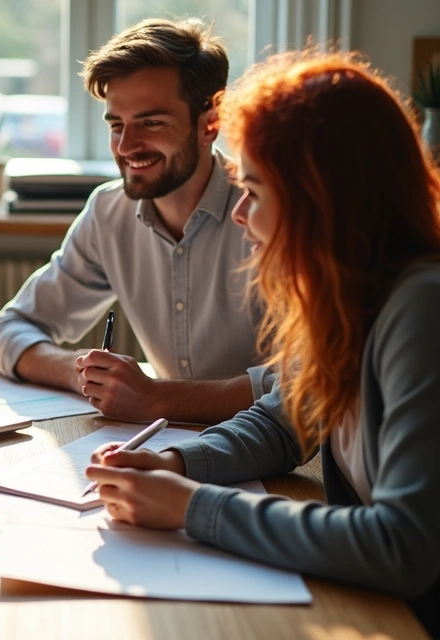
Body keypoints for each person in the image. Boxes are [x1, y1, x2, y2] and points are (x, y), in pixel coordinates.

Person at [84, 52, 440, 634]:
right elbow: (280, 424)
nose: (240, 214)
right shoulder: (348, 299)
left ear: (321, 197)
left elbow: (401, 545)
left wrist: (189, 507)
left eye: (253, 190)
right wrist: (174, 464)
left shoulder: (420, 309)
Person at [0, 18, 271, 424]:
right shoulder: (110, 212)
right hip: (165, 445)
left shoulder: (268, 214)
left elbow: (303, 384)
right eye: (117, 125)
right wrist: (85, 374)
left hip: (279, 452)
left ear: (210, 123)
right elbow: (10, 330)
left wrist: (157, 399)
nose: (126, 147)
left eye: (151, 123)